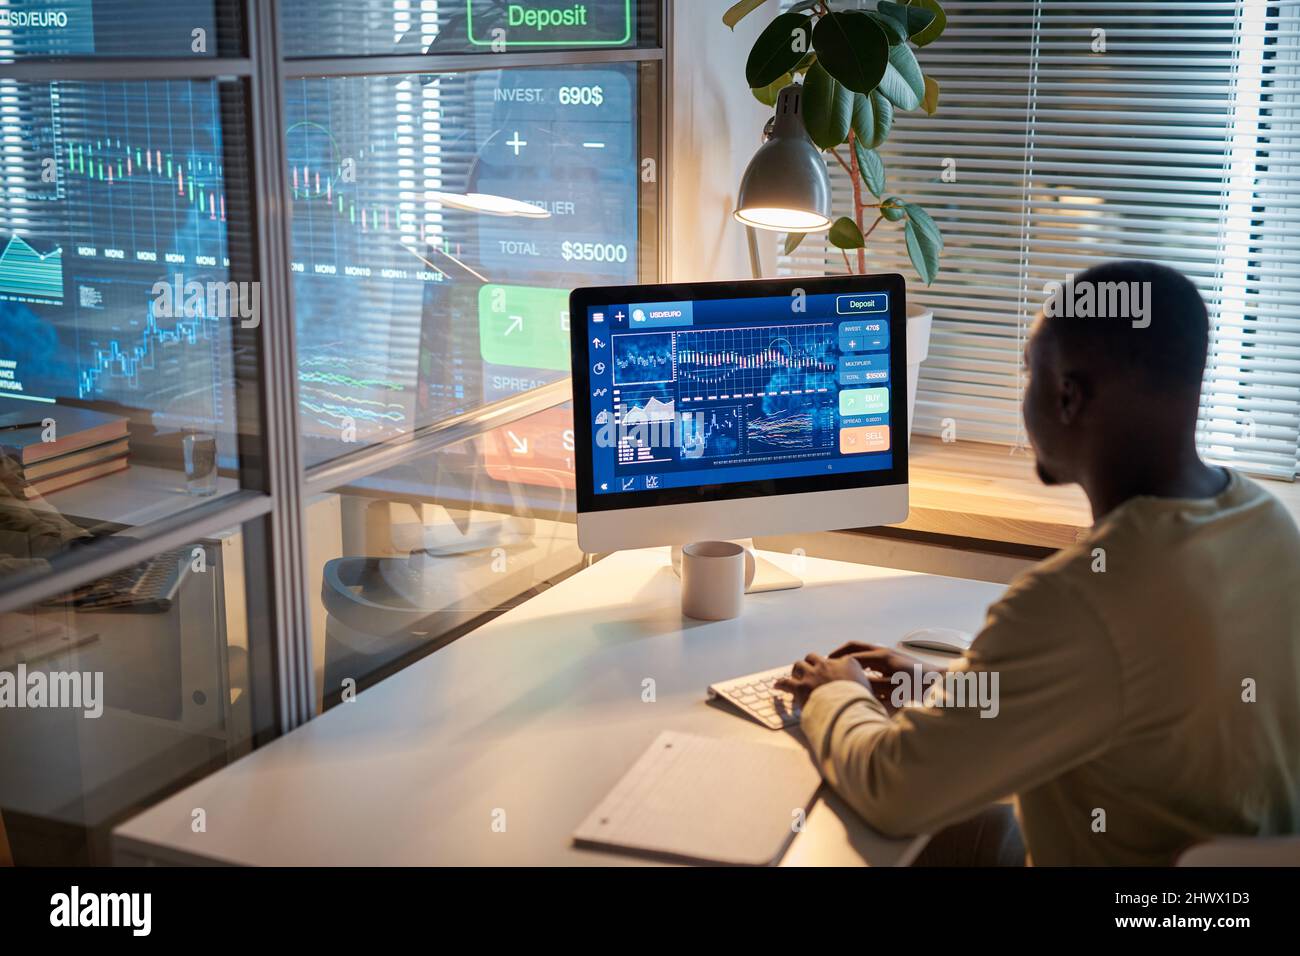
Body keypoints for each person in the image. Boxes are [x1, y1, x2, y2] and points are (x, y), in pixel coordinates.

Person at [777, 261, 1300, 865]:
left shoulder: (1077, 602)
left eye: (1029, 372)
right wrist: (936, 684)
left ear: (1067, 396)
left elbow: (896, 792)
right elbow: (1125, 697)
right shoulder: (1266, 524)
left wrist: (834, 695)